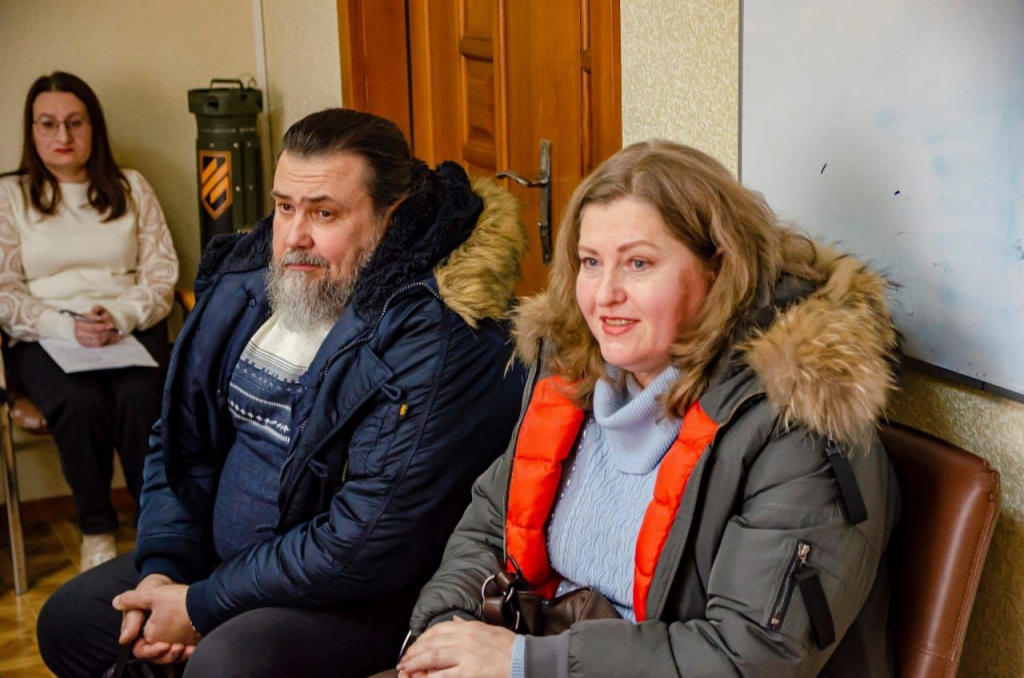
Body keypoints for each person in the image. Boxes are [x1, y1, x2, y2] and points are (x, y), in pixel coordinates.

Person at [35, 107, 528, 678]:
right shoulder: (248, 284)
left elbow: (363, 542)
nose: (295, 237)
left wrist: (198, 607)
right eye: (285, 207)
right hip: (223, 572)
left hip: (354, 597)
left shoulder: (438, 334)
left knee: (227, 664)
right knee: (72, 621)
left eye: (324, 213)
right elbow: (178, 439)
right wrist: (164, 571)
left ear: (391, 215)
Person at [397, 140, 901, 677]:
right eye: (591, 262)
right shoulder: (573, 373)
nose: (604, 294)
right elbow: (488, 527)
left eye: (638, 263)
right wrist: (444, 634)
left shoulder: (795, 426)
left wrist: (524, 663)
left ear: (718, 268)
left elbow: (749, 659)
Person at [0, 71, 178, 570]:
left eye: (75, 123)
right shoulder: (10, 196)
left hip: (125, 328)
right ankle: (96, 530)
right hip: (44, 336)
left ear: (93, 127)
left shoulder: (130, 186)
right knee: (79, 404)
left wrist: (118, 315)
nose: (62, 136)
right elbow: (3, 289)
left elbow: (161, 273)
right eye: (48, 123)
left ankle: (157, 527)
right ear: (32, 130)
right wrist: (66, 326)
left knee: (141, 397)